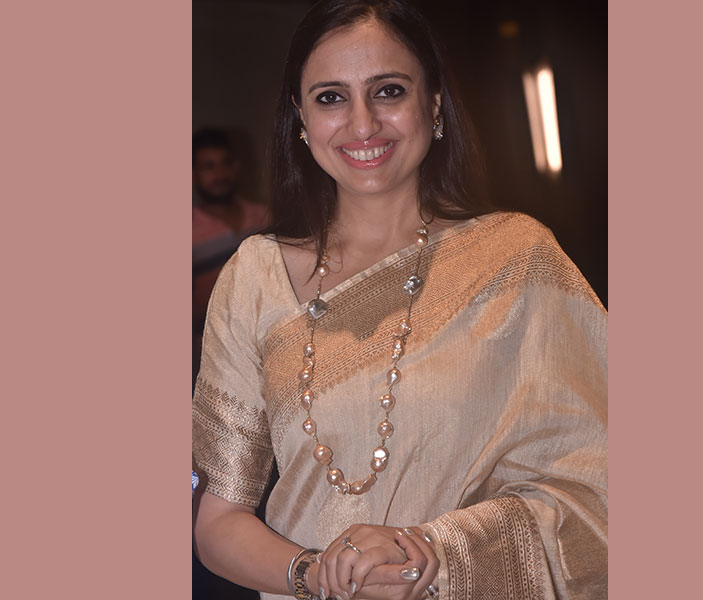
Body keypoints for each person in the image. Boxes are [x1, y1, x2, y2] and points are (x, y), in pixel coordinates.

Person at [192, 1, 607, 599]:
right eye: (331, 98)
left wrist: (441, 552)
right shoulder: (256, 276)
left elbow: (597, 485)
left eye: (388, 91)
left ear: (433, 104)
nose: (362, 124)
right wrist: (318, 575)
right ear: (301, 119)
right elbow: (218, 522)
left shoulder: (515, 260)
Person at [193, 128, 268, 383]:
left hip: (265, 350)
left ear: (236, 167)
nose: (219, 174)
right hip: (208, 359)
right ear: (193, 173)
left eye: (225, 163)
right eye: (208, 167)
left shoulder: (264, 218)